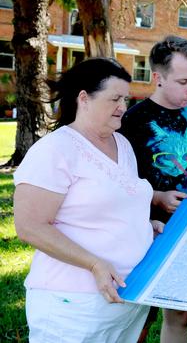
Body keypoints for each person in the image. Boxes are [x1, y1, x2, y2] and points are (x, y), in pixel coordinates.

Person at [13, 58, 162, 342]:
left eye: (126, 99)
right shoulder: (55, 150)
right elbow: (30, 226)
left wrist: (143, 226)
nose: (123, 107)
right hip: (73, 304)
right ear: (84, 98)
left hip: (126, 298)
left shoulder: (122, 144)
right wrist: (94, 264)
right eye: (115, 98)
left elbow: (115, 202)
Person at [119, 35, 187, 343]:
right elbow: (119, 180)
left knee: (179, 311)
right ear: (158, 77)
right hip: (146, 228)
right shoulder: (132, 120)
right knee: (137, 314)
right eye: (183, 82)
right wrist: (156, 197)